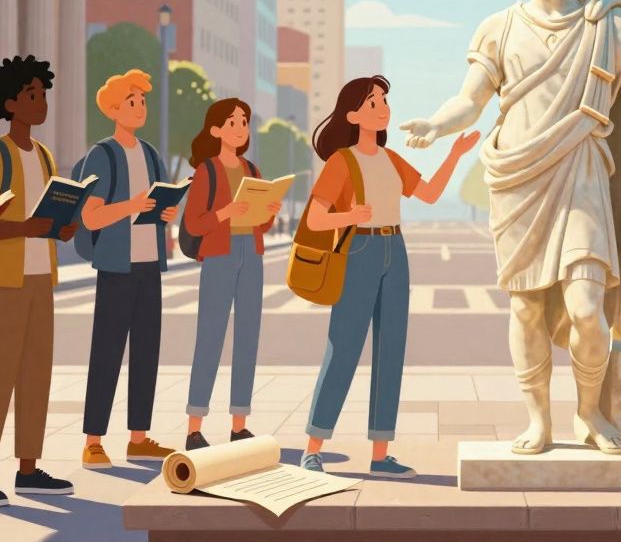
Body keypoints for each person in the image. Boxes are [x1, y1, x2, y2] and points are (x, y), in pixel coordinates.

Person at [399, 0, 621, 456]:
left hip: (583, 174)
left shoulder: (608, 24)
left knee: (589, 307)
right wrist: (435, 122)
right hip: (519, 178)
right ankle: (538, 420)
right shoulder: (500, 28)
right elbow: (471, 100)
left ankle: (589, 411)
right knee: (525, 309)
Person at [300, 76, 479, 477]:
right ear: (352, 115)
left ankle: (381, 454)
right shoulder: (341, 162)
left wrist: (453, 154)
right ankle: (313, 447)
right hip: (358, 251)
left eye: (383, 100)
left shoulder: (391, 159)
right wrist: (349, 216)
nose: (382, 107)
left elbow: (430, 193)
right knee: (343, 348)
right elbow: (314, 216)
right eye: (372, 102)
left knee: (391, 351)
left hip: (394, 251)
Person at [0, 55, 78, 506]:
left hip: (39, 278)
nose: (41, 102)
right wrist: (26, 228)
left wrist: (59, 228)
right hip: (5, 280)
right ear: (10, 102)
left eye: (44, 94)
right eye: (32, 95)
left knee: (36, 375)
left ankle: (28, 468)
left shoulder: (45, 156)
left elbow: (44, 217)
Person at [79, 69, 180, 469]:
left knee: (146, 351)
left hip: (148, 265)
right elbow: (91, 217)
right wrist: (131, 206)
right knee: (106, 351)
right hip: (116, 267)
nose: (140, 107)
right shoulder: (101, 155)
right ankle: (93, 440)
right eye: (132, 101)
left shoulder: (152, 154)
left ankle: (139, 437)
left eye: (143, 101)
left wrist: (165, 212)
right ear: (113, 109)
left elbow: (155, 207)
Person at [183, 98, 280, 450]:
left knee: (247, 338)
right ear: (216, 130)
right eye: (234, 122)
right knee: (209, 337)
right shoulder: (207, 171)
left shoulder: (252, 169)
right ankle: (195, 426)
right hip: (220, 256)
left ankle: (239, 425)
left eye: (245, 122)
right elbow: (195, 222)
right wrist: (225, 212)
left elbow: (261, 224)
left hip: (251, 255)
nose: (241, 129)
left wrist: (268, 211)